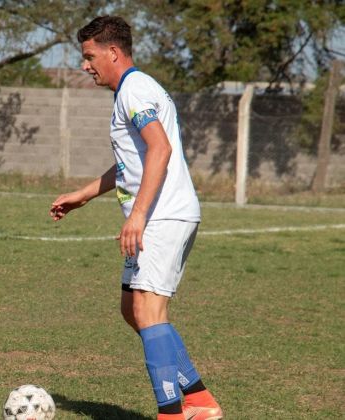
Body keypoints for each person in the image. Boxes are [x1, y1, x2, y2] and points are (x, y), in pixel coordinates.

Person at [49, 16, 222, 420]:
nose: (85, 65)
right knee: (134, 310)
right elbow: (133, 164)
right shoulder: (130, 91)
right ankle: (198, 398)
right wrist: (83, 196)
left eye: (89, 56)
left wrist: (138, 216)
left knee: (148, 312)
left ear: (113, 52)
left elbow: (159, 150)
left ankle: (171, 413)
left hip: (163, 216)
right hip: (158, 216)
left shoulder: (135, 89)